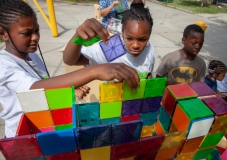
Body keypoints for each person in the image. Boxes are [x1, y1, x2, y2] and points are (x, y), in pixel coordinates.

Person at [0, 0, 139, 138]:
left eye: (37, 30)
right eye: (26, 33)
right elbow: (34, 89)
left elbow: (47, 84)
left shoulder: (32, 56)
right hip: (22, 137)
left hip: (43, 128)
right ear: (3, 33)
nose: (35, 37)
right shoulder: (4, 64)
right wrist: (94, 71)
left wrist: (69, 89)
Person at [63, 1, 155, 78]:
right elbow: (70, 60)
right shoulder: (113, 47)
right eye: (129, 38)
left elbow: (148, 71)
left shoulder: (149, 48)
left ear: (149, 36)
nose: (135, 45)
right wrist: (77, 37)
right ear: (122, 33)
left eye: (142, 39)